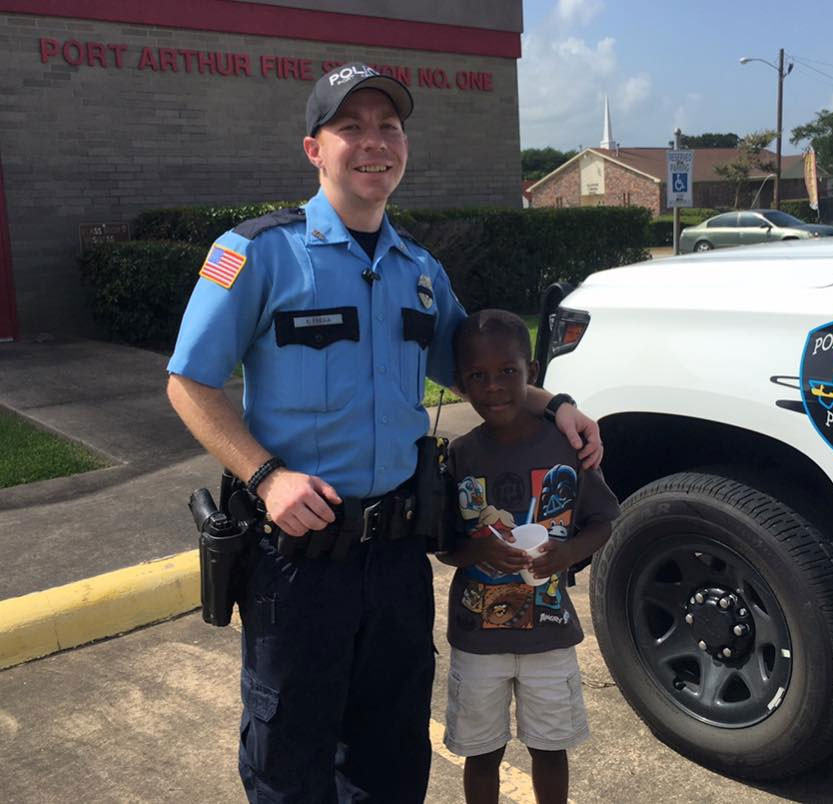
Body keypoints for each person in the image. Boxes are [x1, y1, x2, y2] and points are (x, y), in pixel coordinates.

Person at [165, 63, 603, 803]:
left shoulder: (421, 273)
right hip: (301, 559)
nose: (374, 143)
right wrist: (267, 477)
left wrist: (555, 402)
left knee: (392, 750)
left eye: (389, 127)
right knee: (291, 752)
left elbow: (484, 372)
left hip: (398, 556)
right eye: (351, 128)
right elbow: (189, 383)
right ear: (314, 149)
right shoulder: (259, 253)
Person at [440, 310, 620, 804]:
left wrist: (568, 554)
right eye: (478, 376)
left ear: (532, 372)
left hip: (550, 634)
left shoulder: (565, 444)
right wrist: (473, 549)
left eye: (507, 372)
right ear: (460, 383)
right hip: (477, 639)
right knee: (481, 753)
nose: (493, 387)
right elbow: (443, 545)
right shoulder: (459, 456)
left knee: (550, 748)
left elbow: (605, 519)